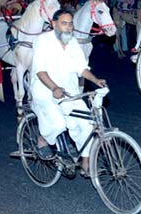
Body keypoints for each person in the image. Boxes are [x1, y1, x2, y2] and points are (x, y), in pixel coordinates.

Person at [31, 9, 108, 176]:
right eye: (64, 23)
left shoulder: (73, 42)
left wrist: (95, 80)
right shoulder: (43, 40)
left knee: (87, 122)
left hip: (70, 92)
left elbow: (81, 68)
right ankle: (43, 139)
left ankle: (86, 164)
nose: (68, 27)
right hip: (45, 91)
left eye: (70, 23)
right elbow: (40, 71)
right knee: (59, 124)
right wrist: (54, 88)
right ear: (54, 24)